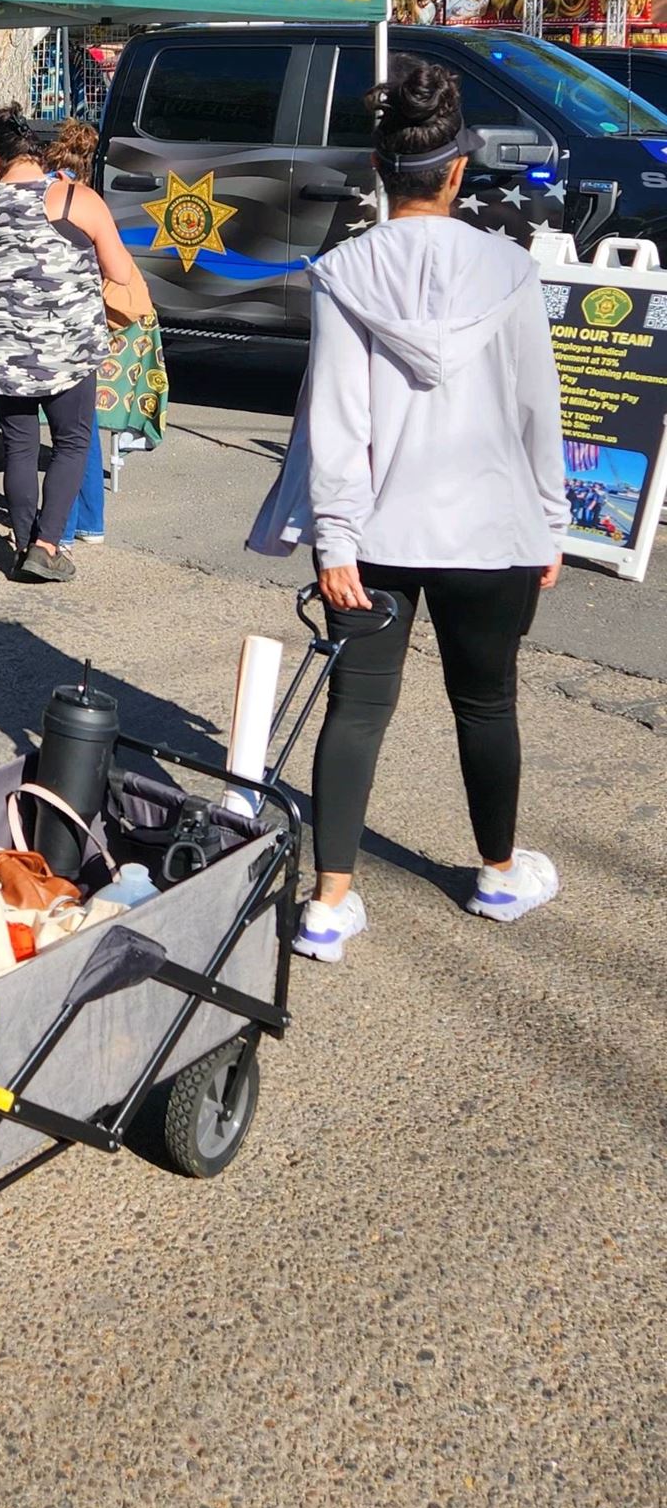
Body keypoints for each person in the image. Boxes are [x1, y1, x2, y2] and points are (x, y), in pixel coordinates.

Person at [249, 59, 566, 961]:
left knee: (356, 707)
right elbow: (537, 408)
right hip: (494, 527)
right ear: (458, 168)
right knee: (488, 704)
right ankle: (498, 874)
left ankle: (328, 904)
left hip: (375, 532)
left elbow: (337, 418)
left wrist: (333, 539)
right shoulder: (511, 269)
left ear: (379, 171)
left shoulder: (344, 270)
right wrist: (552, 521)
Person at [0, 106, 137, 582]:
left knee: (20, 447)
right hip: (68, 349)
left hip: (2, 352)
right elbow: (120, 272)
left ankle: (23, 543)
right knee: (72, 441)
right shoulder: (78, 200)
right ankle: (48, 545)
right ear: (40, 156)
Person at [47, 119, 110, 550]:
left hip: (55, 327)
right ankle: (90, 520)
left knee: (65, 437)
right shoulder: (89, 200)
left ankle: (61, 529)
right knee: (82, 427)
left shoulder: (52, 197)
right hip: (86, 324)